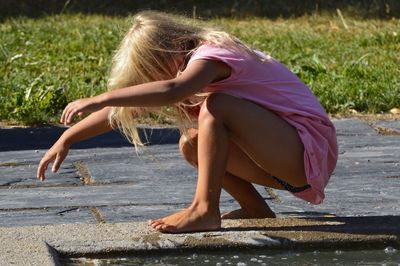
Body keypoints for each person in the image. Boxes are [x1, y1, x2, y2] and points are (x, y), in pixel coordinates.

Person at [37, 11, 338, 234]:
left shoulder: (212, 55)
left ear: (175, 47)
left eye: (153, 70)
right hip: (283, 163)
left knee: (217, 108)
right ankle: (255, 209)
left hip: (307, 152)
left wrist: (103, 97)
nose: (154, 81)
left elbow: (173, 91)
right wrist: (68, 139)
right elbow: (123, 112)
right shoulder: (184, 72)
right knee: (192, 142)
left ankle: (205, 210)